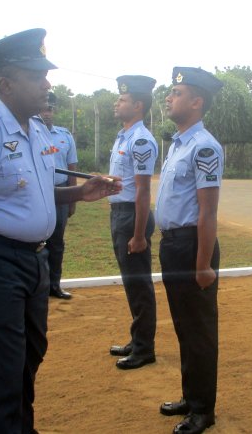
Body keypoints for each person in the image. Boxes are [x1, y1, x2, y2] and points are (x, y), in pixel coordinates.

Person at [0, 28, 120, 434]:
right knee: (1, 370)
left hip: (33, 262)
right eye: (37, 75)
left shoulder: (35, 130)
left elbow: (32, 191)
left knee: (29, 355)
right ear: (6, 83)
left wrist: (80, 192)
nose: (47, 83)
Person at [156, 67, 223, 434]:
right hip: (173, 246)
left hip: (192, 249)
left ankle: (202, 410)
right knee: (184, 327)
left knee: (199, 331)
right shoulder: (178, 143)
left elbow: (207, 210)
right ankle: (190, 395)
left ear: (196, 102)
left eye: (176, 92)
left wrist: (202, 264)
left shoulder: (205, 146)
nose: (169, 97)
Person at [107, 75, 159, 370]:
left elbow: (142, 190)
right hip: (120, 214)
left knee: (139, 283)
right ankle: (137, 339)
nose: (118, 102)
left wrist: (139, 234)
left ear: (138, 105)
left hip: (131, 217)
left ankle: (144, 348)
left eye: (123, 99)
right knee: (131, 282)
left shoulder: (140, 140)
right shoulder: (123, 135)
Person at [38, 91, 78, 300]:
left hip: (61, 194)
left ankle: (55, 285)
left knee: (57, 242)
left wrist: (72, 200)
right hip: (37, 194)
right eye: (44, 108)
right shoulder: (30, 133)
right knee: (36, 241)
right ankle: (39, 287)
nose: (47, 113)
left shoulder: (64, 135)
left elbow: (72, 167)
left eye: (50, 109)